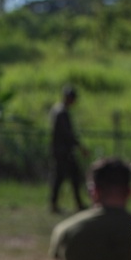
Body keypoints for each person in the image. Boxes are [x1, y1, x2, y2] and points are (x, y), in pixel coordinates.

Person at [48, 84, 86, 213]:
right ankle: (55, 204)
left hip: (62, 150)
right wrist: (80, 147)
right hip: (62, 151)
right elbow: (67, 134)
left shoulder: (58, 110)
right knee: (61, 177)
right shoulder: (61, 112)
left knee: (72, 176)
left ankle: (77, 203)